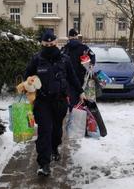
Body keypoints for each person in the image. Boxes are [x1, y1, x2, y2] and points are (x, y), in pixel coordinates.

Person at [24, 30, 86, 176]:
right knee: (45, 130)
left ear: (56, 43)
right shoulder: (36, 59)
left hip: (60, 101)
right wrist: (30, 82)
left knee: (57, 129)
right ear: (42, 44)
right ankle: (43, 164)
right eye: (47, 44)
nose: (50, 46)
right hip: (42, 101)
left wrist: (81, 92)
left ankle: (54, 148)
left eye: (52, 44)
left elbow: (72, 77)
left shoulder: (64, 59)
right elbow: (27, 76)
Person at [62, 28, 96, 108]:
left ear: (69, 37)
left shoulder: (65, 48)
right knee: (81, 96)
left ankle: (72, 110)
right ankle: (79, 111)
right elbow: (92, 56)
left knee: (70, 98)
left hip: (68, 78)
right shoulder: (84, 48)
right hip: (81, 77)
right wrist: (91, 64)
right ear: (77, 36)